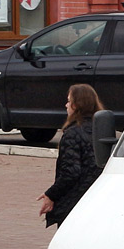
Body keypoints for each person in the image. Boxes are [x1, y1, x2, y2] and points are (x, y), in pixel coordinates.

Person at [37, 84, 104, 228]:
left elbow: (70, 173)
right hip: (97, 199)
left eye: (69, 101)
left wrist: (51, 195)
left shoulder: (72, 133)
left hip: (74, 202)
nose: (66, 105)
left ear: (76, 105)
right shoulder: (102, 131)